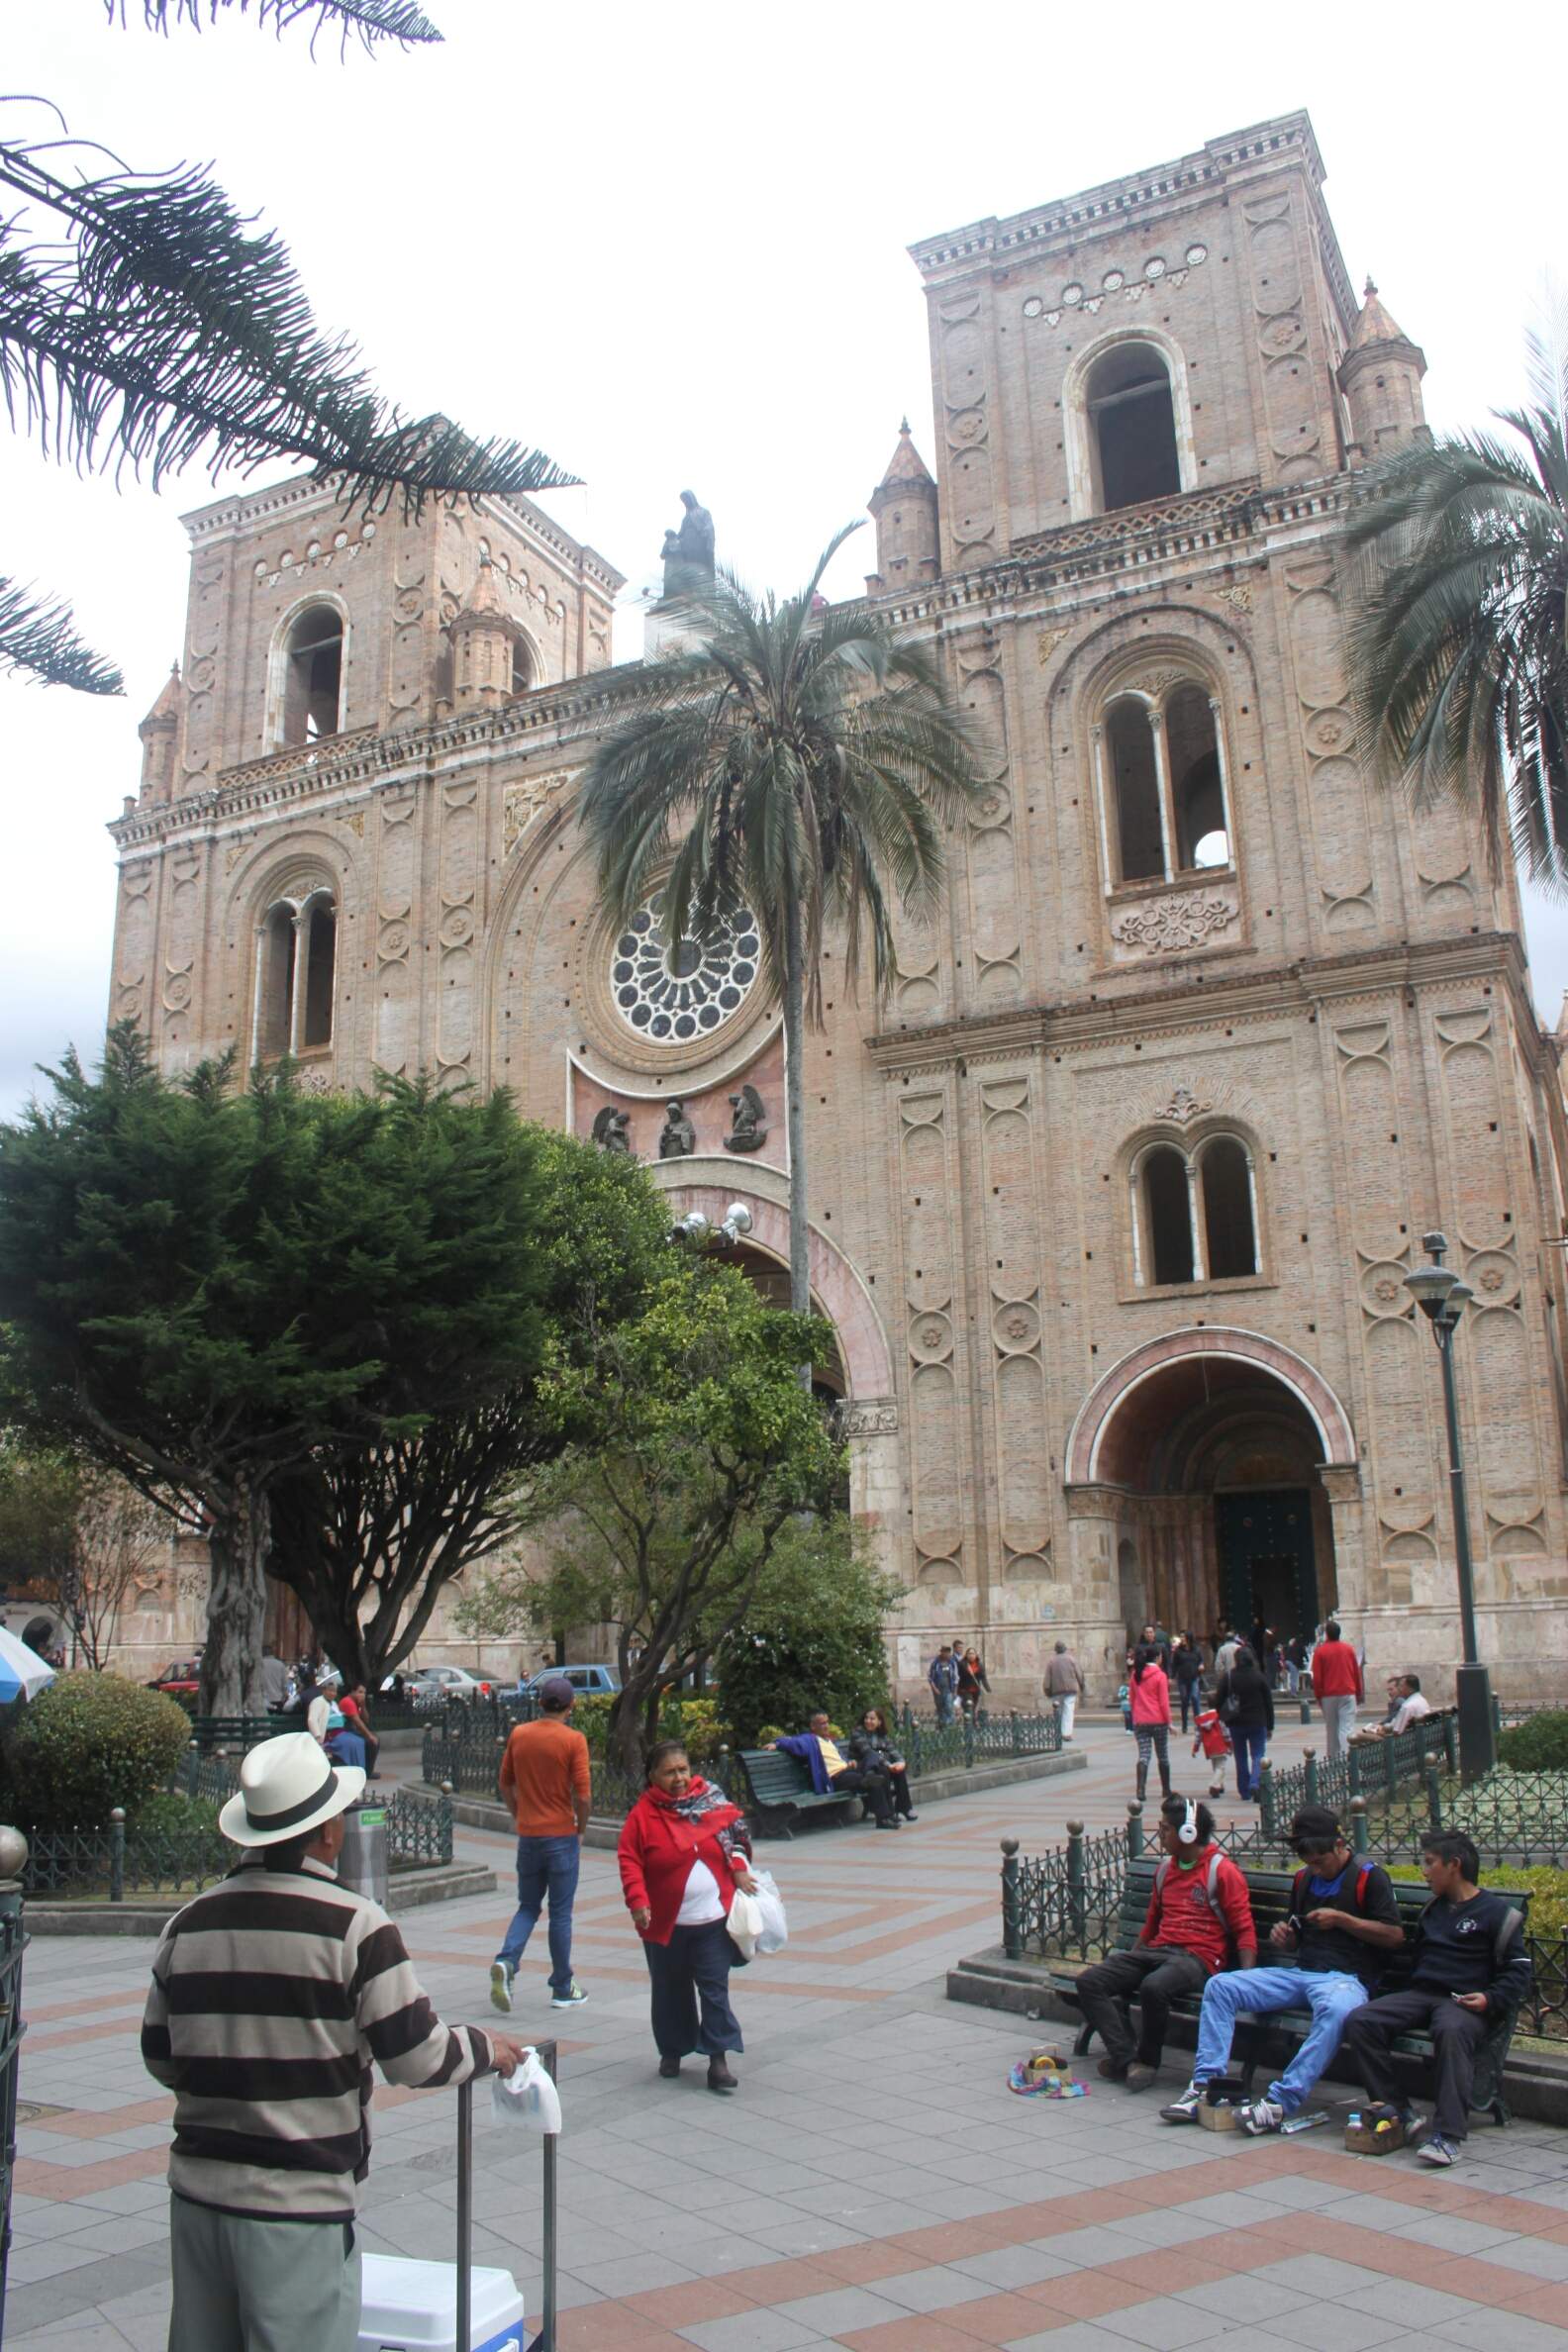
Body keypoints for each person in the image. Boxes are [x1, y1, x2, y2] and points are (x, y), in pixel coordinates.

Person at [142, 1732, 522, 2351]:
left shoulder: (188, 1923)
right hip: (298, 2206)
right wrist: (487, 2047)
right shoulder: (356, 1926)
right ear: (326, 1833)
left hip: (198, 2198)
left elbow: (161, 2058)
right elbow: (416, 2055)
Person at [1161, 1805, 1404, 2134]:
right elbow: (1296, 1934)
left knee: (1335, 2010)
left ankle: (1280, 2102)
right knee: (1221, 1987)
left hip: (1346, 1981)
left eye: (1321, 1862)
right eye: (1309, 1864)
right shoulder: (1304, 1879)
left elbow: (1394, 1935)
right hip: (1301, 1974)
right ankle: (1206, 2087)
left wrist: (1343, 1920)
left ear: (1339, 1845)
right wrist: (1286, 1939)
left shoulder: (1368, 1876)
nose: (1315, 1870)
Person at [1341, 1830, 1531, 2168]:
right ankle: (1399, 2110)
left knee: (1452, 2031)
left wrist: (1489, 1999)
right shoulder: (1434, 1909)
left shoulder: (1497, 1913)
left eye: (1430, 1863)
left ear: (1454, 1865)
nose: (1424, 1872)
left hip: (1463, 2002)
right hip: (1422, 1994)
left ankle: (1447, 2135)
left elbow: (1518, 1973)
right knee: (1361, 2020)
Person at [1076, 1798, 1256, 2090]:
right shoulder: (1164, 1871)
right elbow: (1150, 1925)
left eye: (1165, 1829)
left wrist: (1248, 1979)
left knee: (1154, 1987)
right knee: (1090, 1981)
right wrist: (1128, 1964)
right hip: (1158, 1951)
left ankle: (1147, 2062)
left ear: (1188, 1833)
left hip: (1198, 1959)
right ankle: (1128, 2061)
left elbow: (1244, 1928)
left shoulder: (1222, 1871)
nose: (1160, 1835)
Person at [617, 1739, 757, 2093]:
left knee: (714, 1990)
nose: (679, 1777)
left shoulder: (710, 1798)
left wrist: (738, 1866)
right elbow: (630, 1859)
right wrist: (637, 1900)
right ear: (653, 1777)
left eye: (683, 1769)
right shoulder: (643, 1815)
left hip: (712, 1921)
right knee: (669, 1991)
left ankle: (718, 2059)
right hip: (665, 1924)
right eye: (670, 1772)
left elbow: (738, 1834)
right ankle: (673, 2050)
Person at [489, 1674, 591, 2014]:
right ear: (571, 1706)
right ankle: (563, 1986)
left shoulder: (520, 1735)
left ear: (540, 1703)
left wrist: (520, 1815)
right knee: (560, 1913)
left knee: (528, 1906)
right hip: (562, 1836)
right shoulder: (573, 1740)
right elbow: (584, 1795)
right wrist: (581, 1828)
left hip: (529, 1836)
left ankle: (507, 1960)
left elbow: (505, 1784)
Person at [770, 1711, 897, 1826]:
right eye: (822, 1723)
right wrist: (776, 1743)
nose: (826, 1726)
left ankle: (887, 1810)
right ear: (813, 1726)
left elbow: (839, 1759)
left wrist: (849, 1762)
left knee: (876, 1762)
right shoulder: (809, 1740)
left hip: (848, 1770)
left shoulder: (830, 1741)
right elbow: (792, 1742)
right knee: (872, 1778)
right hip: (836, 1778)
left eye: (827, 1722)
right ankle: (883, 1818)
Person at [1215, 1643, 1274, 1802]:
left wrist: (1223, 1716)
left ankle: (1244, 1790)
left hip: (1236, 1722)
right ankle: (1255, 1783)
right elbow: (1269, 1702)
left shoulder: (1229, 1677)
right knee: (1258, 1754)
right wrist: (1270, 1725)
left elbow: (1218, 1699)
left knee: (1240, 1757)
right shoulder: (1259, 1676)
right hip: (1257, 1721)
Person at [847, 1707, 917, 1820]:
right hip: (864, 1768)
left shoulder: (881, 1735)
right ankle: (888, 1811)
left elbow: (893, 1750)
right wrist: (889, 1765)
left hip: (879, 1765)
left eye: (872, 1719)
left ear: (879, 1722)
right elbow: (869, 1753)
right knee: (884, 1770)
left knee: (899, 1771)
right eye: (866, 1718)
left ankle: (904, 1807)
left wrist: (901, 1762)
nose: (868, 1721)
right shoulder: (858, 1734)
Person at [1312, 1617, 1364, 1758]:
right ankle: (1349, 1757)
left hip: (1328, 1694)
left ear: (1327, 1634)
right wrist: (1359, 1692)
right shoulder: (1348, 1649)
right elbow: (1356, 1672)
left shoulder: (1320, 1652)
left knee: (1332, 1729)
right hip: (1348, 1692)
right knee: (1347, 1728)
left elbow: (1317, 1678)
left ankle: (1334, 1761)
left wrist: (1318, 1696)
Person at [1127, 1643, 1172, 1803]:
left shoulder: (1136, 1675)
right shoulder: (1160, 1676)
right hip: (1158, 1721)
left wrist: (1135, 1717)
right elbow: (1163, 1703)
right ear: (1158, 1657)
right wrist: (1169, 1722)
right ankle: (1166, 1789)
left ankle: (1140, 1789)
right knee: (1163, 1756)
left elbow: (1132, 1699)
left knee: (1144, 1755)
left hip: (1141, 1721)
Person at [1043, 1640, 1084, 1740]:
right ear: (1065, 1649)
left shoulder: (1051, 1662)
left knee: (1059, 1711)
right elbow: (1079, 1674)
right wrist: (1081, 1685)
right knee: (1069, 1710)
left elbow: (1047, 1679)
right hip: (1070, 1689)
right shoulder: (1071, 1659)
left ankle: (1059, 1732)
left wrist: (1047, 1691)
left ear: (1056, 1650)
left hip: (1056, 1691)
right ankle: (1066, 1733)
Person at [1372, 1674, 1431, 1738]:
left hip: (1405, 1742)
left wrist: (1376, 1732)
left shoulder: (1407, 1706)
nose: (1399, 1689)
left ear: (1410, 1689)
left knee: (1361, 1736)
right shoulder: (1422, 1700)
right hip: (1419, 1737)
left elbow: (1397, 1732)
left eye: (1401, 1686)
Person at [339, 1681, 380, 1776]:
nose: (363, 1695)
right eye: (360, 1692)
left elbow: (366, 1719)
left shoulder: (357, 1703)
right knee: (371, 1742)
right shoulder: (348, 1702)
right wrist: (370, 1736)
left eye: (364, 1693)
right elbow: (358, 1722)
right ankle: (368, 1772)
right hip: (345, 1730)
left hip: (353, 1730)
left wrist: (363, 1705)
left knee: (374, 1740)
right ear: (353, 1692)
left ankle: (368, 1769)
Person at [1192, 1703, 1230, 1799]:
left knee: (1216, 1766)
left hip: (1209, 1747)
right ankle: (1214, 1784)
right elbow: (1225, 1731)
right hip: (1220, 1744)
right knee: (1221, 1767)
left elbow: (1198, 1736)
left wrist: (1195, 1748)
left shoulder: (1201, 1719)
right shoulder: (1219, 1717)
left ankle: (1220, 1785)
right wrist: (1230, 1744)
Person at [1172, 1634, 1205, 1734]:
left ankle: (1198, 1724)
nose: (1182, 1639)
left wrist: (1201, 1665)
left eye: (1184, 1637)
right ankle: (1184, 1725)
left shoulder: (1196, 1650)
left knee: (1195, 1698)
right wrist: (1172, 1676)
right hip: (1182, 1679)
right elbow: (1174, 1664)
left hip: (1194, 1677)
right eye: (1181, 1637)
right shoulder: (1178, 1651)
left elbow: (1201, 1660)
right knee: (1184, 1700)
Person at [928, 1644, 960, 1725]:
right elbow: (930, 1678)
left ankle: (951, 1726)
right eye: (945, 1652)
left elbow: (956, 1677)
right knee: (940, 1708)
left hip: (949, 1689)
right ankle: (942, 1725)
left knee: (949, 1707)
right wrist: (934, 1688)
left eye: (948, 1652)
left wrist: (955, 1691)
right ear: (941, 1652)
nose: (947, 1654)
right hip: (938, 1690)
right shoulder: (935, 1663)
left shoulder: (952, 1663)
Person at [955, 1646, 990, 1720]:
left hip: (976, 1690)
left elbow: (983, 1677)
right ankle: (969, 1725)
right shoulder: (962, 1664)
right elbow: (958, 1675)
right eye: (969, 1654)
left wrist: (987, 1688)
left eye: (973, 1653)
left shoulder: (979, 1665)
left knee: (973, 1708)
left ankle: (971, 1724)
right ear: (966, 1655)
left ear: (976, 1655)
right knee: (969, 1706)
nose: (971, 1655)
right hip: (965, 1690)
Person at [258, 1643, 291, 1712]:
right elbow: (285, 1683)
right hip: (278, 1699)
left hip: (263, 1699)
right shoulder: (280, 1664)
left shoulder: (259, 1664)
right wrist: (285, 1695)